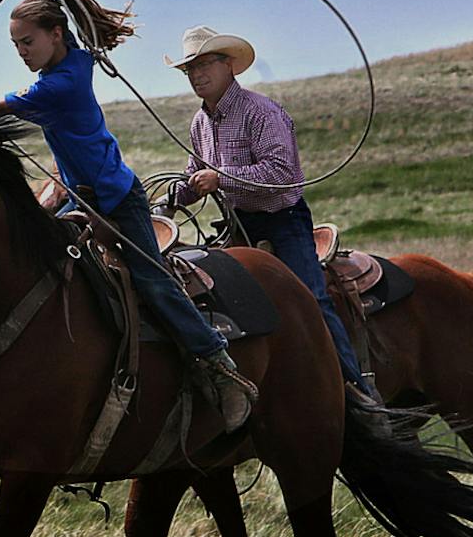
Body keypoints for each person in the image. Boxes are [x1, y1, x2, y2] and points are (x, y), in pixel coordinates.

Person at [0, 0, 257, 432]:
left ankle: (220, 367)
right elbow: (46, 9)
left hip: (115, 199)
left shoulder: (60, 86)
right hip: (79, 194)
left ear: (53, 37)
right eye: (15, 44)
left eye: (27, 42)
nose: (21, 51)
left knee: (153, 282)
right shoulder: (68, 56)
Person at [157, 26, 378, 404]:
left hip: (283, 221)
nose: (196, 74)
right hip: (237, 223)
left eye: (204, 64)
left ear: (229, 66)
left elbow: (282, 174)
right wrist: (172, 199)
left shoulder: (260, 112)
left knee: (312, 299)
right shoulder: (200, 123)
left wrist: (221, 178)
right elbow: (196, 175)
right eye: (189, 69)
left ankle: (357, 391)